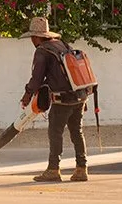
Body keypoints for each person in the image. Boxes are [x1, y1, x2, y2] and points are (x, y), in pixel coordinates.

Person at [22, 15, 88, 183]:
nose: (32, 40)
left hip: (62, 99)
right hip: (80, 96)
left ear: (37, 37)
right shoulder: (63, 45)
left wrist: (27, 95)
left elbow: (37, 78)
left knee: (55, 133)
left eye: (32, 37)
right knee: (76, 132)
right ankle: (81, 169)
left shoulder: (42, 51)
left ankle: (53, 169)